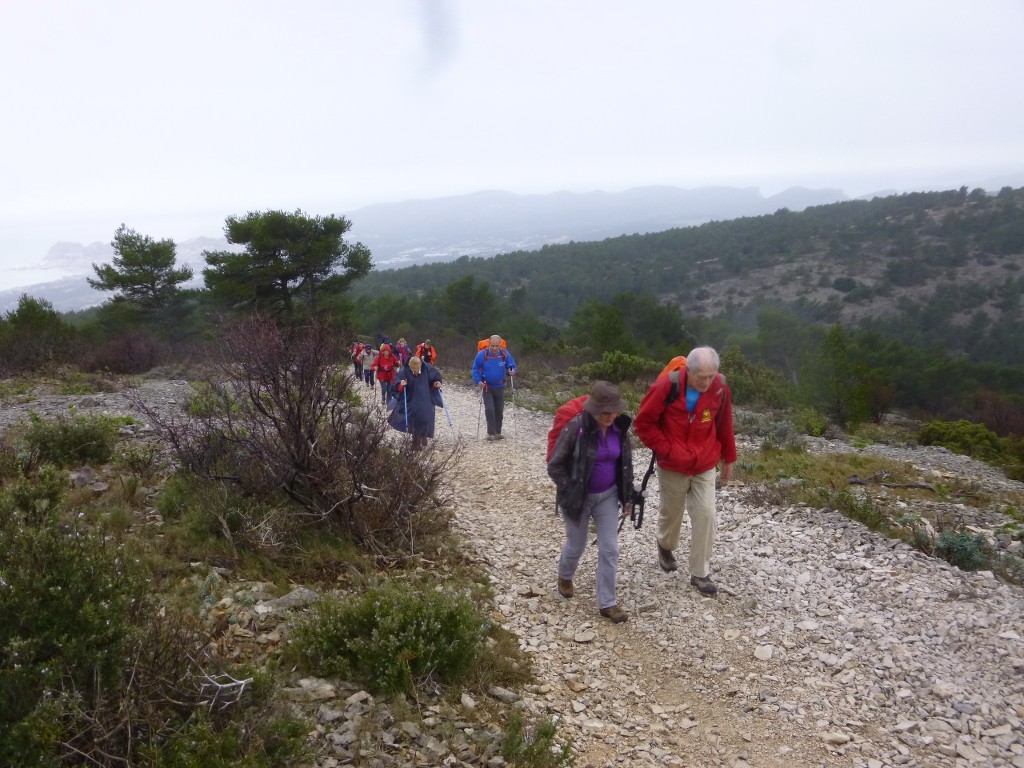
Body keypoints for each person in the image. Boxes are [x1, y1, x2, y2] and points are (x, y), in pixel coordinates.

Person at [633, 346, 736, 596]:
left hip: (704, 462)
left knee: (706, 514)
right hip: (673, 464)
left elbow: (724, 423)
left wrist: (729, 459)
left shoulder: (719, 388)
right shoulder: (666, 387)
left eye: (712, 376)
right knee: (672, 513)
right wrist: (667, 450)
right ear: (688, 371)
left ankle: (700, 573)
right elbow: (643, 424)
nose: (708, 382)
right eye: (702, 377)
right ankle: (665, 545)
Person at [547, 381, 634, 623]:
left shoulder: (620, 428)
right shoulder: (576, 428)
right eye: (604, 411)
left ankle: (608, 603)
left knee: (610, 549)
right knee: (577, 545)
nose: (609, 416)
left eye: (613, 410)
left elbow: (625, 464)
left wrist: (627, 497)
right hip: (578, 498)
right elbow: (555, 465)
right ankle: (565, 575)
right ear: (593, 408)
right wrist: (571, 489)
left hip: (608, 495)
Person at [388, 356, 443, 450]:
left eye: (417, 370)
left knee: (425, 418)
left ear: (421, 365)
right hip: (411, 399)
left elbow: (435, 379)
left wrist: (436, 384)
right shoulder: (404, 371)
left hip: (426, 398)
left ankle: (423, 435)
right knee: (414, 419)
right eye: (413, 370)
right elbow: (396, 385)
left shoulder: (427, 368)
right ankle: (416, 443)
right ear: (409, 366)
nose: (415, 372)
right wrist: (401, 385)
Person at [472, 334, 516, 440]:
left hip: (500, 386)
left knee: (499, 409)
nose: (495, 348)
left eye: (497, 346)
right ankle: (491, 433)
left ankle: (498, 432)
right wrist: (478, 381)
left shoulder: (504, 354)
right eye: (493, 345)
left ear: (500, 345)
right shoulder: (482, 355)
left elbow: (512, 366)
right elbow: (475, 370)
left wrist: (512, 371)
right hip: (487, 387)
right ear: (489, 344)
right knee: (489, 409)